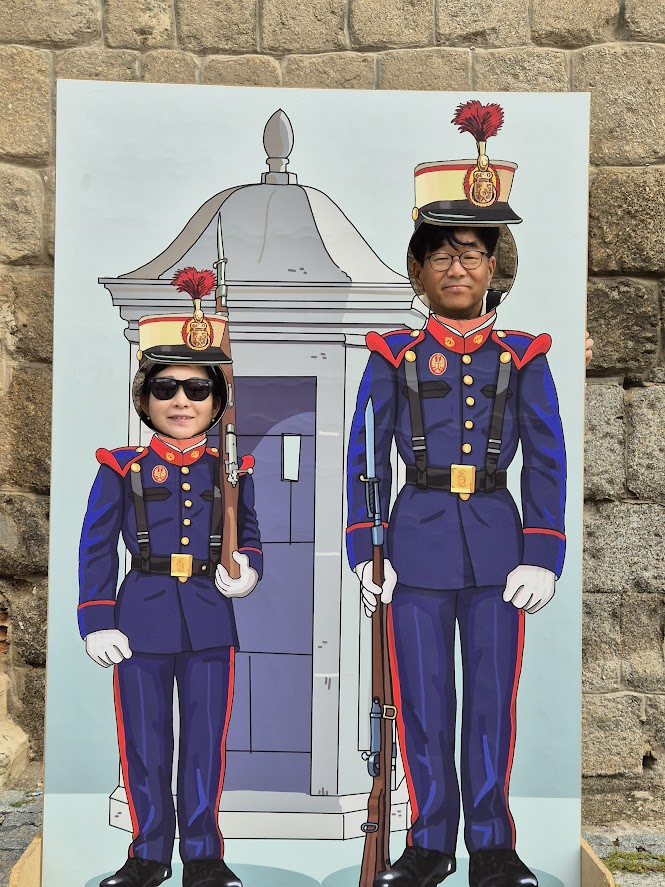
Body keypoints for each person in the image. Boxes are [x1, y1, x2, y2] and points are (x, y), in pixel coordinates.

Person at [346, 103, 571, 887]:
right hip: (413, 543)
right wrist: (365, 549)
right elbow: (364, 455)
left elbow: (546, 459)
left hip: (500, 547)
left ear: (494, 267)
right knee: (421, 702)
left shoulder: (524, 356)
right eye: (439, 252)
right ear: (418, 270)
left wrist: (542, 553)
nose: (455, 266)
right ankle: (430, 842)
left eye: (471, 251)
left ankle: (492, 845)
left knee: (489, 704)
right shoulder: (393, 354)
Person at [78, 292, 261, 887]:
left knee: (205, 742)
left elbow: (249, 533)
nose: (182, 401)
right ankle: (149, 853)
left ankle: (203, 855)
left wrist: (248, 569)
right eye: (165, 388)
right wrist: (96, 619)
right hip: (141, 617)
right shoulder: (122, 467)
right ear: (144, 399)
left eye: (198, 388)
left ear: (218, 400)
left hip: (208, 616)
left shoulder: (232, 469)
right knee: (145, 742)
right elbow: (96, 546)